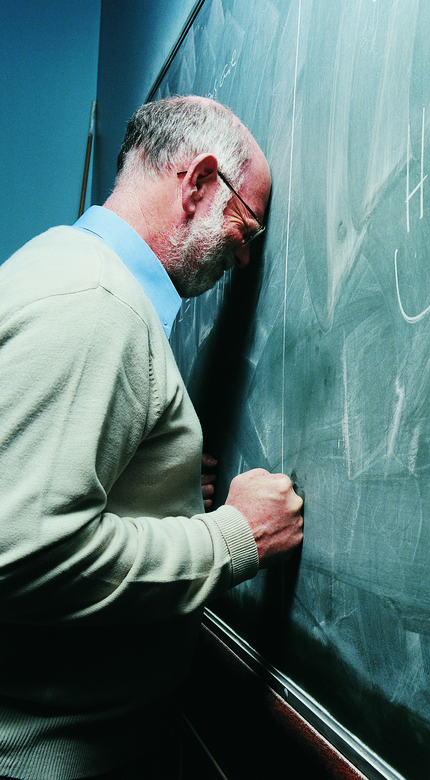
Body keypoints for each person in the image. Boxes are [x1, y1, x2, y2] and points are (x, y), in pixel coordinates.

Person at [0, 96, 303, 780]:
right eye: (246, 228)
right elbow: (17, 549)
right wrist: (235, 537)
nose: (246, 257)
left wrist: (146, 491)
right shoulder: (94, 306)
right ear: (197, 184)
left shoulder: (63, 269)